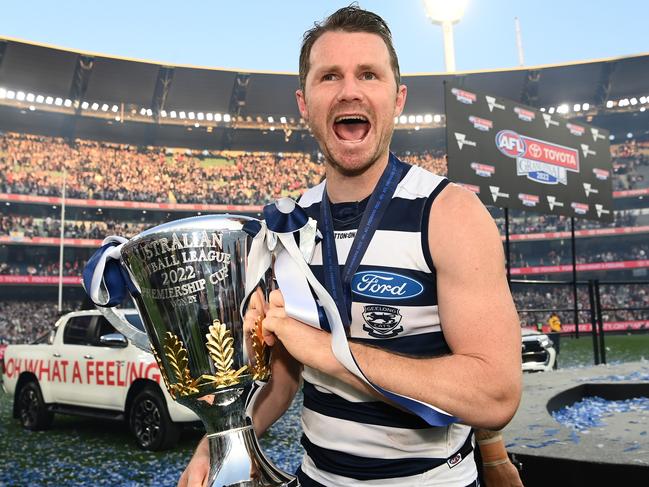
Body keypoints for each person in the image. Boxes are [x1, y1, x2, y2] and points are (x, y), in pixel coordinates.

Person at [178, 6, 522, 487]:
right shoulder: (287, 222)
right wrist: (219, 443)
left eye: (369, 74)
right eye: (329, 76)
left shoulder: (450, 215)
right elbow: (283, 380)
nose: (349, 90)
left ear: (398, 97)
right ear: (304, 102)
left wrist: (326, 350)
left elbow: (494, 395)